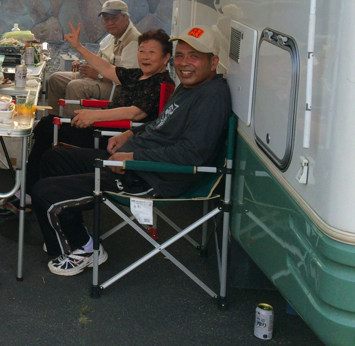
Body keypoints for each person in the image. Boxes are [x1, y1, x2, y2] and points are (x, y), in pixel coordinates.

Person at [31, 25, 232, 276]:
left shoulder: (212, 97)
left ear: (213, 62)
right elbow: (160, 124)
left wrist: (133, 158)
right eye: (180, 55)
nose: (184, 63)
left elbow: (191, 154)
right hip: (132, 160)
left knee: (45, 192)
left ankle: (84, 250)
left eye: (194, 56)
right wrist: (130, 134)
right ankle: (72, 236)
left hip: (149, 176)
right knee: (54, 158)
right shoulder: (189, 87)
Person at [0, 29, 173, 216]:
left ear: (166, 57)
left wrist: (95, 116)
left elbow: (136, 113)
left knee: (47, 127)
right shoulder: (138, 75)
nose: (145, 56)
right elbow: (106, 69)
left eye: (152, 52)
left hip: (113, 138)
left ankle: (28, 190)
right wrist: (78, 46)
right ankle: (31, 189)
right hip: (103, 129)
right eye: (142, 51)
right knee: (47, 129)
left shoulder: (160, 82)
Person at [47, 0, 141, 116]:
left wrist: (98, 75)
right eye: (106, 19)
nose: (110, 23)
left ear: (127, 19)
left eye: (114, 18)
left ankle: (72, 126)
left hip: (117, 88)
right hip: (101, 79)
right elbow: (99, 60)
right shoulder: (112, 36)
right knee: (56, 79)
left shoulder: (133, 41)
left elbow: (126, 79)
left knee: (76, 87)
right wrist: (83, 64)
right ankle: (53, 121)